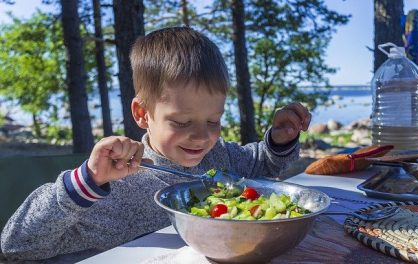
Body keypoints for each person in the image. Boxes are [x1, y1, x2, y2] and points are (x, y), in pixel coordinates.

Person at [1, 26, 311, 261]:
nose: (202, 137)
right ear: (142, 114)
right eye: (181, 122)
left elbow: (262, 166)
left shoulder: (219, 158)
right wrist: (87, 182)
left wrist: (278, 141)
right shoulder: (115, 187)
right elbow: (17, 244)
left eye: (213, 121)